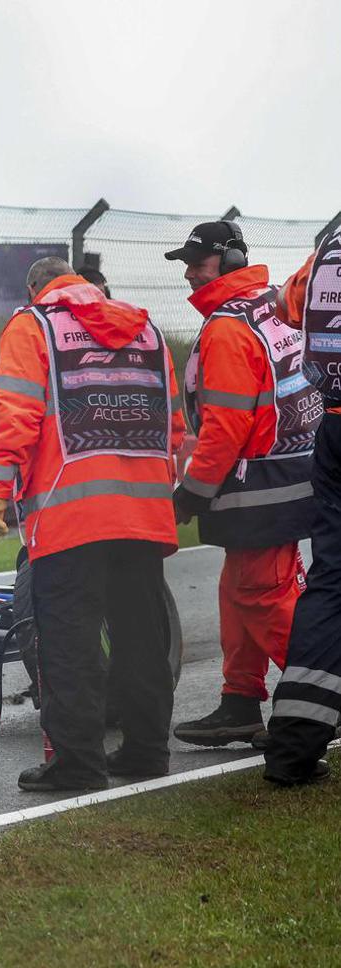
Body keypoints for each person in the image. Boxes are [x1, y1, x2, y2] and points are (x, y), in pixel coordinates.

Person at [0, 257, 184, 791]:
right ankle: (146, 751)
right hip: (143, 514)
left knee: (69, 642)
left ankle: (79, 763)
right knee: (141, 636)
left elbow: (15, 414)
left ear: (34, 288)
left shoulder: (34, 326)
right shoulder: (147, 330)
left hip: (70, 516)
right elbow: (174, 424)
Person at [165, 221, 318, 749]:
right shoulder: (271, 307)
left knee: (262, 593)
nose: (188, 274)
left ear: (228, 262)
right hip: (291, 472)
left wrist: (191, 491)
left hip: (258, 486)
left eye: (197, 263)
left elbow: (225, 425)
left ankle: (326, 696)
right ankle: (239, 702)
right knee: (238, 590)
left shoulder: (228, 327)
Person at [262, 224, 341, 786]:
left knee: (331, 583)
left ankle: (292, 745)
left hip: (332, 427)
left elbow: (292, 306)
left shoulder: (330, 245)